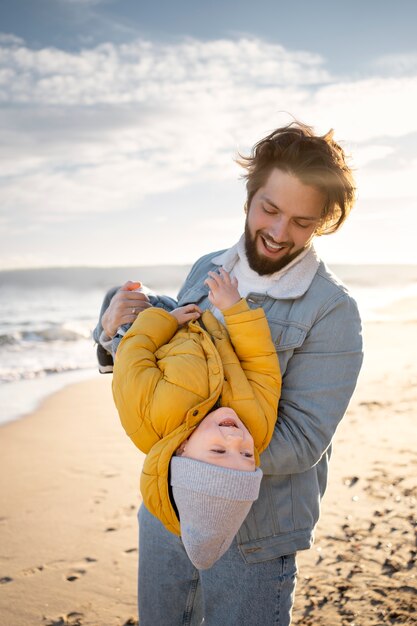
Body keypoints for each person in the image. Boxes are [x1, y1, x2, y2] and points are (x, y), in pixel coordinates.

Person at [93, 120, 364, 626]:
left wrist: (194, 440)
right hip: (165, 507)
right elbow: (177, 350)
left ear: (323, 222)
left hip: (255, 534)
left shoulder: (333, 311)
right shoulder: (206, 266)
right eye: (270, 209)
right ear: (249, 195)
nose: (280, 233)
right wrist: (115, 328)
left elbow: (304, 440)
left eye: (302, 222)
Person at [111, 269, 281, 570]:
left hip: (151, 331)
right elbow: (261, 365)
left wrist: (164, 321)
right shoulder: (257, 426)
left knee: (124, 297)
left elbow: (133, 356)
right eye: (246, 455)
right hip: (204, 324)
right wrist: (234, 309)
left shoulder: (149, 420)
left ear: (182, 450)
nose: (236, 439)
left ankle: (109, 328)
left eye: (218, 451)